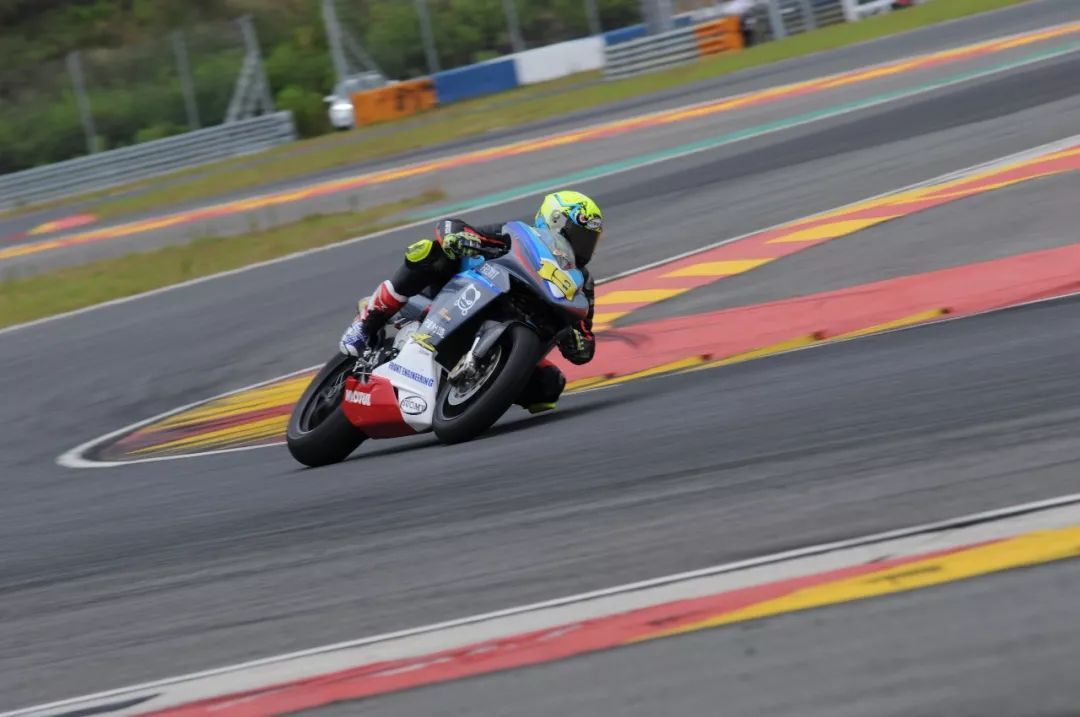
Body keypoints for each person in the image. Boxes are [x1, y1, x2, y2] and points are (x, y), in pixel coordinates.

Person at [339, 190, 604, 413]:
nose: (585, 246)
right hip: (455, 298)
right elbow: (451, 226)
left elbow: (585, 341)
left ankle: (474, 396)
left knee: (548, 387)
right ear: (555, 221)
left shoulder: (582, 282)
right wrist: (458, 237)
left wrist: (577, 340)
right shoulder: (518, 235)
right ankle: (366, 322)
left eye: (590, 240)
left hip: (514, 337)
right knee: (429, 252)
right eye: (580, 235)